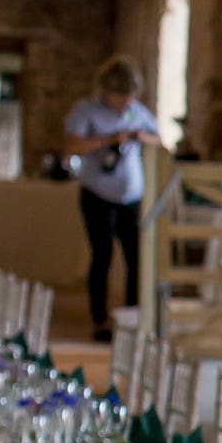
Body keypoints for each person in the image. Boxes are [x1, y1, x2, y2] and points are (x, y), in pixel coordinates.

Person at [63, 56, 164, 341]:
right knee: (103, 255)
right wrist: (109, 140)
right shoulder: (87, 111)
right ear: (106, 91)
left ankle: (133, 317)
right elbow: (71, 146)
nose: (124, 103)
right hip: (98, 194)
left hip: (131, 197)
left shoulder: (136, 112)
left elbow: (160, 139)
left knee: (137, 257)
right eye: (119, 96)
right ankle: (100, 320)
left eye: (128, 97)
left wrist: (140, 137)